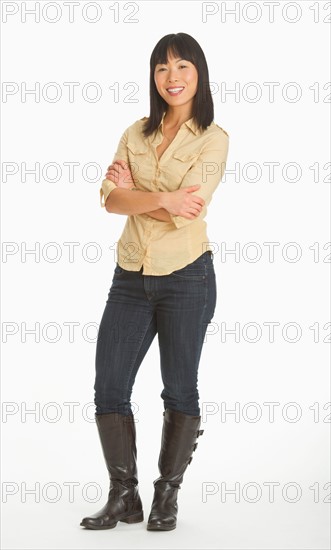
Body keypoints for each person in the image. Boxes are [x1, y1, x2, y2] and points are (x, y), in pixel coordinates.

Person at [80, 32, 229, 532]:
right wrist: (160, 198)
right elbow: (110, 201)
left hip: (187, 276)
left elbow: (189, 212)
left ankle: (167, 494)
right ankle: (124, 496)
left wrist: (139, 193)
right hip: (130, 275)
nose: (172, 78)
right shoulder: (135, 132)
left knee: (179, 388)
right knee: (109, 386)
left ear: (199, 74)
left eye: (182, 67)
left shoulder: (214, 138)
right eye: (162, 68)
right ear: (153, 76)